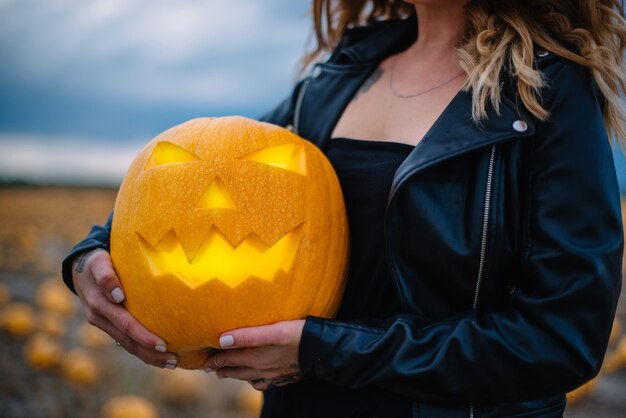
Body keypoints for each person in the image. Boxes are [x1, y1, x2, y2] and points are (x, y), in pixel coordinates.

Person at [62, 0, 626, 416]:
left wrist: (327, 352)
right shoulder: (340, 73)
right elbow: (200, 168)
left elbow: (560, 341)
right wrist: (90, 258)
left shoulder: (545, 90)